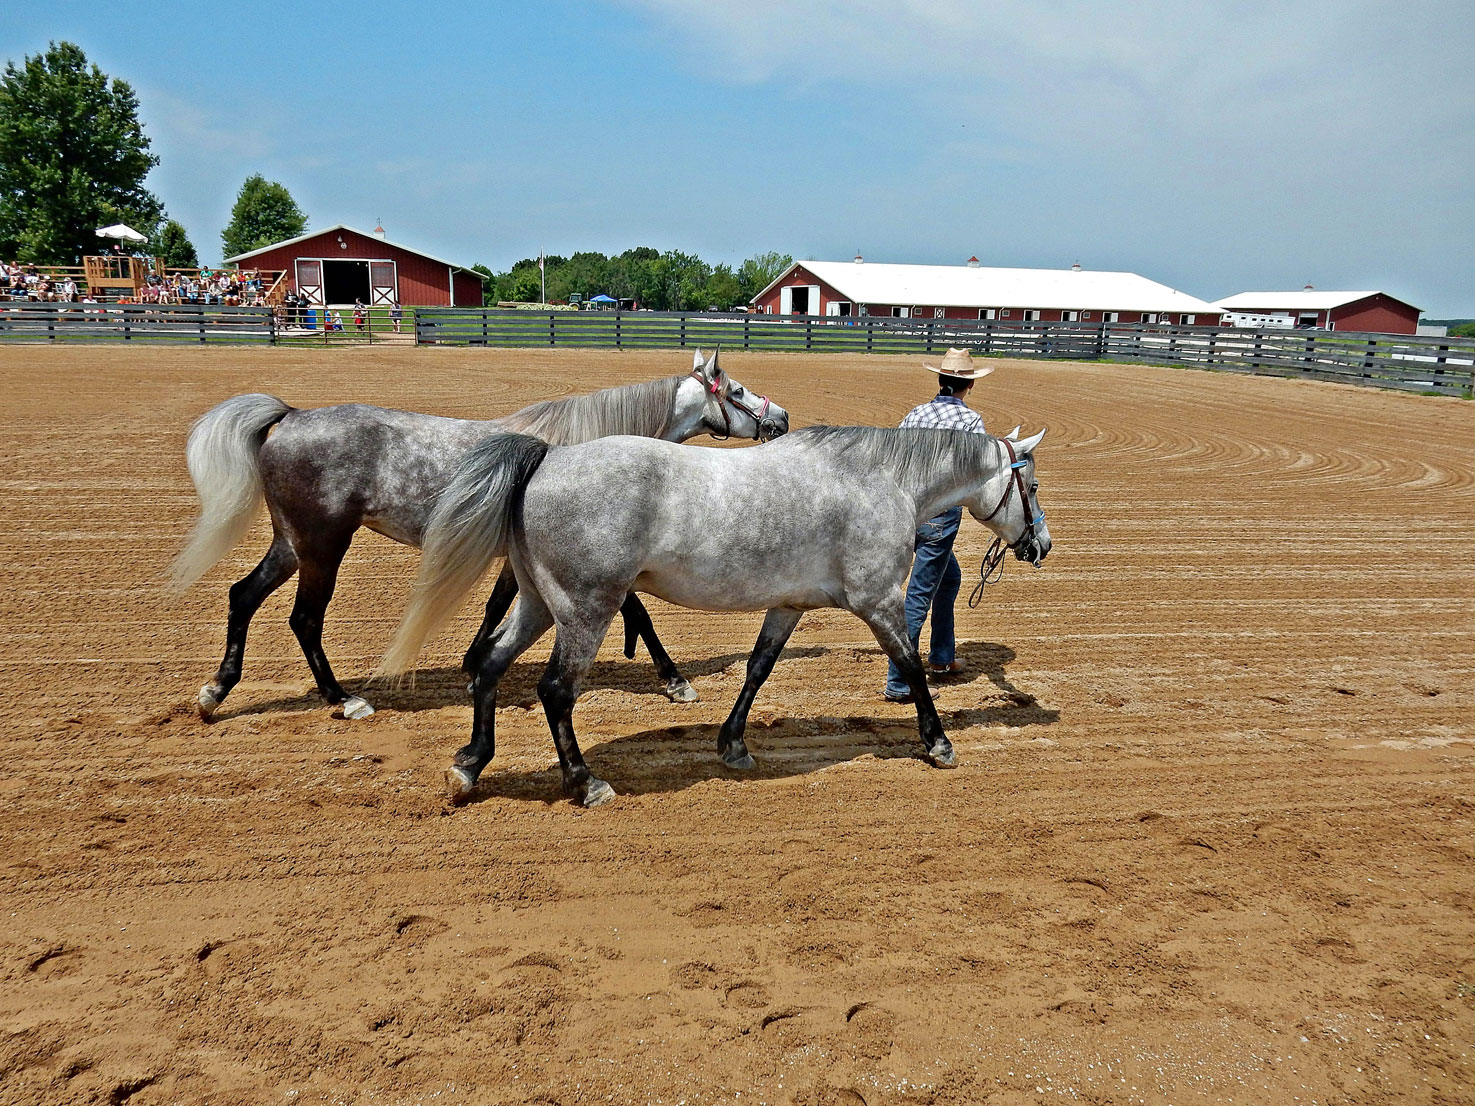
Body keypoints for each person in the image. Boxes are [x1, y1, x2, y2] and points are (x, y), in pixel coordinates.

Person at [882, 346, 993, 703]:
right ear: (969, 386)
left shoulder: (915, 414)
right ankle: (899, 681)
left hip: (903, 509)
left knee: (949, 579)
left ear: (940, 380)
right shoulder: (970, 423)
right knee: (918, 594)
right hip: (940, 516)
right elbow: (976, 474)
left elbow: (892, 457)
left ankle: (942, 657)